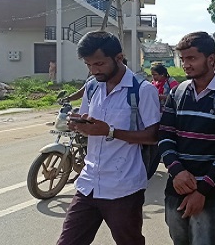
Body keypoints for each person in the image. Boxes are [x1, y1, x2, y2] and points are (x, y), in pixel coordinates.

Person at [57, 31, 160, 245]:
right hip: (88, 183)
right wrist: (78, 125)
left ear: (119, 58)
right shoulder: (93, 86)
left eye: (99, 64)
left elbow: (153, 136)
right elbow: (89, 123)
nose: (94, 70)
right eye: (88, 65)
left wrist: (109, 131)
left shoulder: (142, 90)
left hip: (124, 188)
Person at [158, 32, 215, 245]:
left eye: (192, 58)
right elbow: (165, 136)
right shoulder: (178, 93)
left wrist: (202, 190)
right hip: (176, 186)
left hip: (209, 190)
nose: (186, 65)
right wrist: (177, 171)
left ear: (211, 60)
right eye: (184, 59)